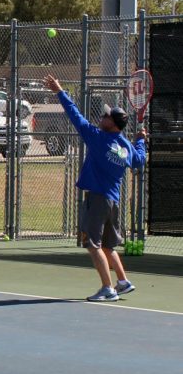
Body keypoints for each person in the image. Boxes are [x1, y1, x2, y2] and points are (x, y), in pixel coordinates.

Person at [43, 75, 148, 301]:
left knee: (93, 245)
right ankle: (123, 282)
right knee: (109, 247)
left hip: (98, 200)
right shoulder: (126, 147)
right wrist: (140, 139)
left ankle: (108, 289)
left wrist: (60, 90)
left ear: (112, 123)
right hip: (113, 201)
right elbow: (140, 160)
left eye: (106, 116)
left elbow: (75, 115)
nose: (102, 117)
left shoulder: (99, 139)